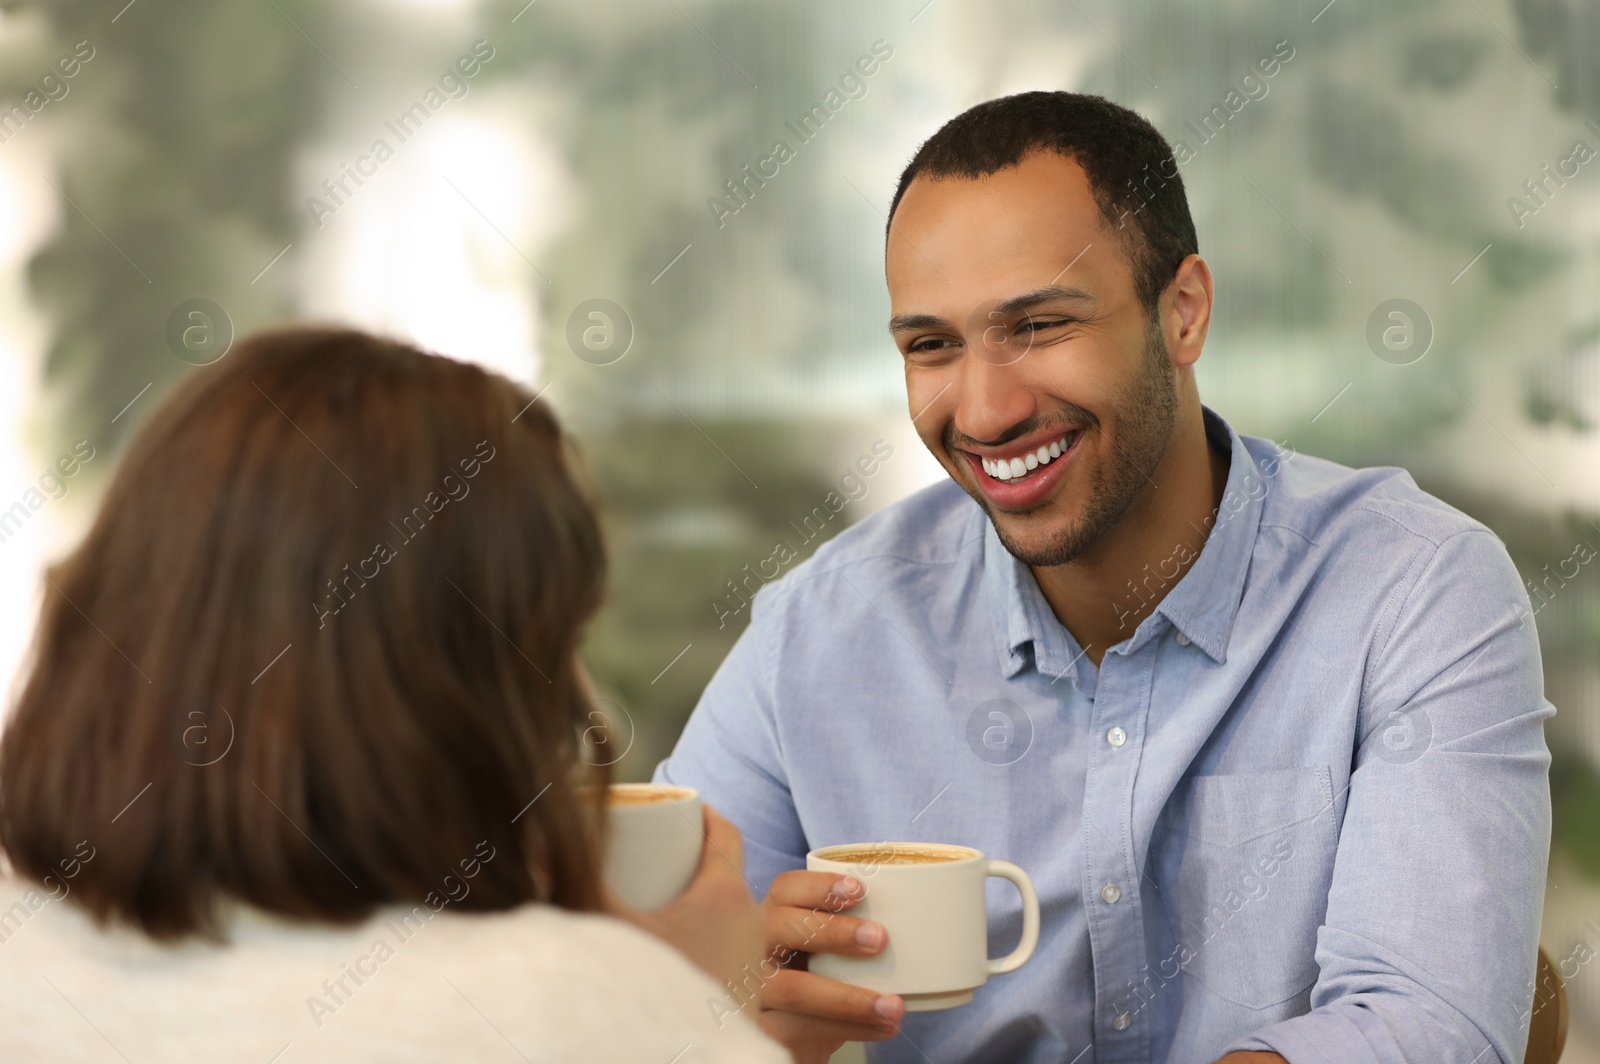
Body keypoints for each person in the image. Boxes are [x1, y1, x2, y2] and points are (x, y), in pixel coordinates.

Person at [657, 91, 1553, 1063]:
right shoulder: (820, 630)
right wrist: (744, 1022)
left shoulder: (1411, 587)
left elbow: (1428, 1022)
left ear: (1182, 311)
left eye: (1038, 325)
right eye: (931, 345)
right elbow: (633, 995)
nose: (986, 409)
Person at [0, 327, 787, 1063]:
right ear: (453, 682)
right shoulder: (570, 1008)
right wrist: (702, 1008)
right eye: (558, 643)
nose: (581, 703)